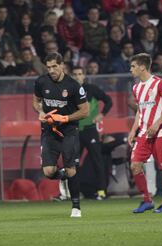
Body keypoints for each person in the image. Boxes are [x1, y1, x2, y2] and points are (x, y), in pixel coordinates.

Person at [33, 52, 89, 217]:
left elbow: (84, 112)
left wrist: (65, 118)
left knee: (71, 169)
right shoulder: (41, 82)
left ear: (62, 65)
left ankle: (76, 207)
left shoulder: (73, 86)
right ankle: (62, 174)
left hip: (69, 131)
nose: (51, 70)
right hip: (49, 132)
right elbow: (35, 100)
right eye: (48, 67)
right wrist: (41, 112)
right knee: (49, 172)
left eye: (54, 66)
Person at [128, 53, 162, 213]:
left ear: (142, 67)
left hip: (161, 133)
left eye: (133, 66)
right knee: (135, 165)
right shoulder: (136, 88)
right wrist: (133, 130)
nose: (131, 69)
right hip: (143, 134)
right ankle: (147, 201)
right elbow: (140, 111)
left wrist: (157, 123)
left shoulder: (159, 83)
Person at [72, 66, 112, 200]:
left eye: (80, 74)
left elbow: (108, 101)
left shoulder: (92, 89)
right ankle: (73, 192)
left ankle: (101, 191)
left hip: (90, 130)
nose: (77, 76)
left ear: (84, 76)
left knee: (97, 160)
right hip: (76, 131)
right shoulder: (69, 91)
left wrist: (102, 114)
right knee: (72, 162)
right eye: (75, 74)